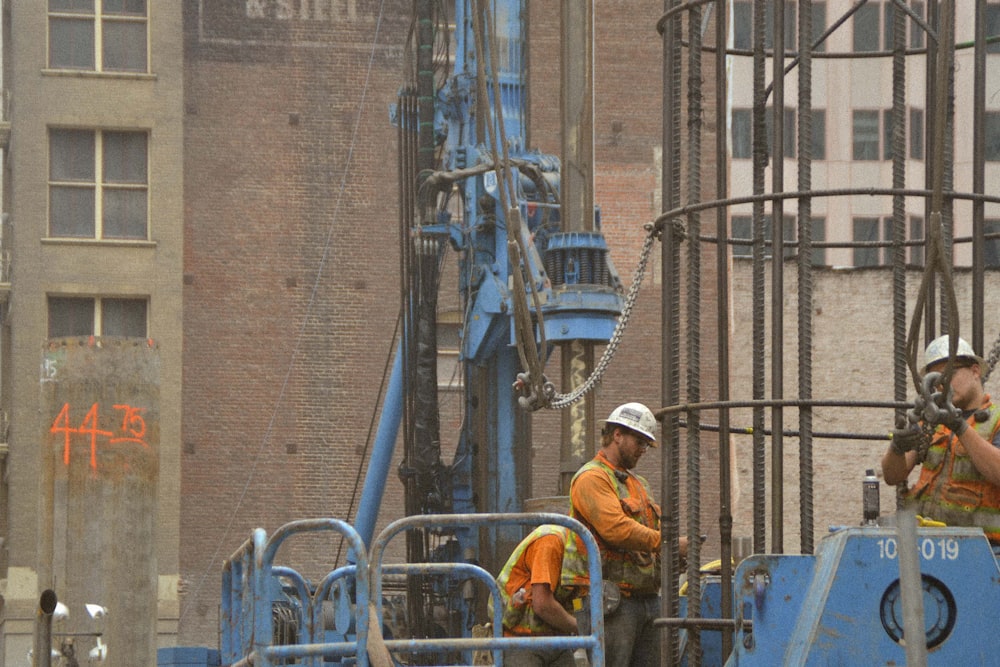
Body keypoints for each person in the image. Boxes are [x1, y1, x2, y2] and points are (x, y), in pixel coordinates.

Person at [569, 402, 687, 667]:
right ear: (617, 435)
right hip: (611, 601)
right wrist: (668, 544)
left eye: (647, 443)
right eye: (639, 441)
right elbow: (617, 530)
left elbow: (650, 535)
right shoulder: (592, 478)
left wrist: (673, 557)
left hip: (646, 598)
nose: (644, 449)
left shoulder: (638, 485)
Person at [882, 335, 1000, 547]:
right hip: (928, 545)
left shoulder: (996, 421)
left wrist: (960, 426)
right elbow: (892, 476)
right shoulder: (933, 422)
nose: (942, 384)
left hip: (983, 552)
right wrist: (897, 448)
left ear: (975, 371)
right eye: (936, 378)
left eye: (949, 374)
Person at [495, 524, 589, 667]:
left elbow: (575, 596)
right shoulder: (550, 542)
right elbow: (542, 605)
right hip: (522, 639)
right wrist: (579, 627)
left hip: (556, 639)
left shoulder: (581, 549)